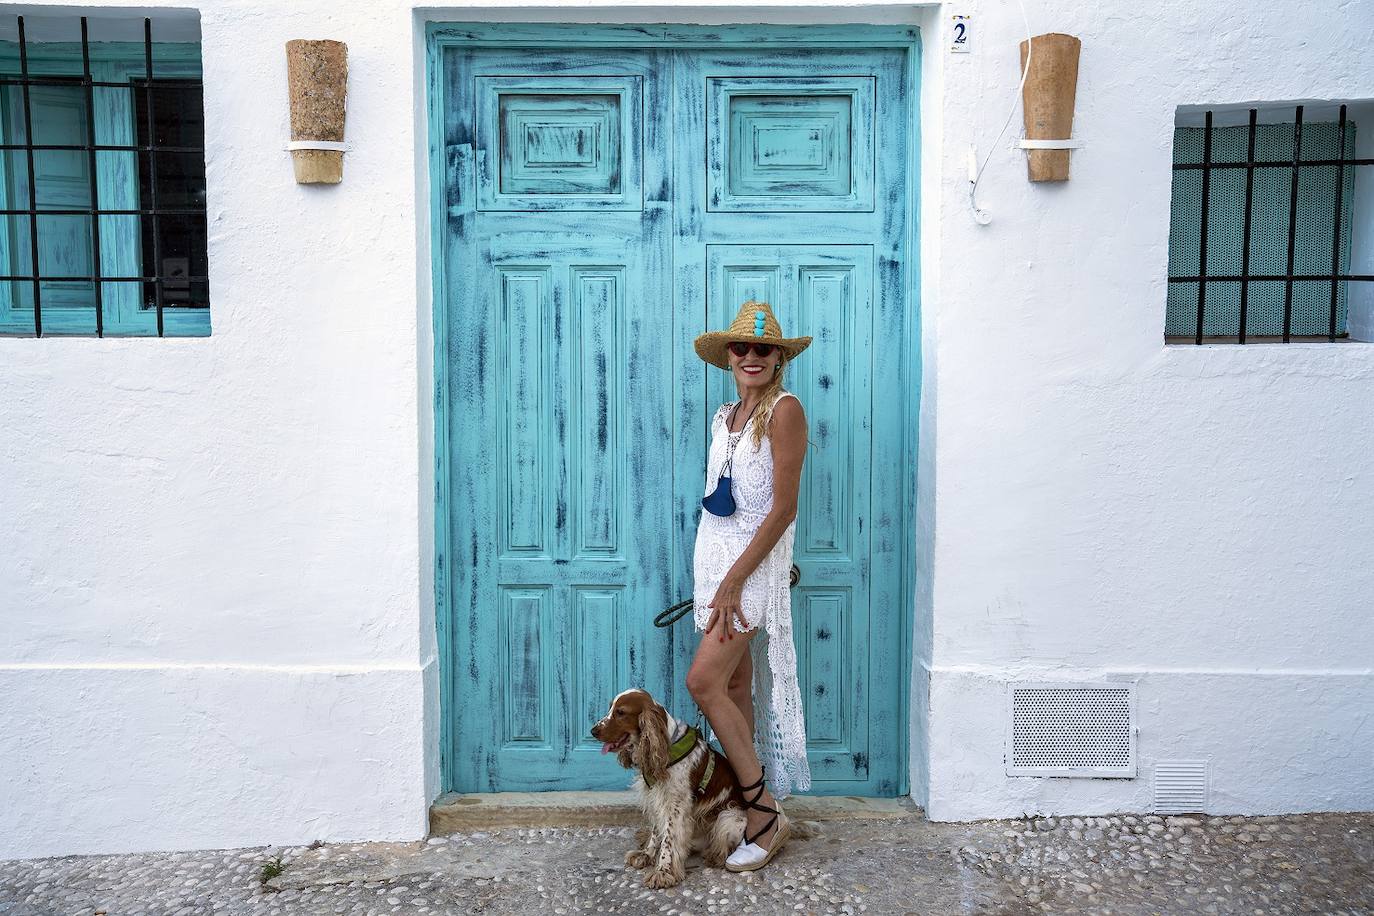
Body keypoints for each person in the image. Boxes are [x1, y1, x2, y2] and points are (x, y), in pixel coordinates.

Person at [687, 299, 813, 873]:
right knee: (734, 688)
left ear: (779, 357)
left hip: (746, 575)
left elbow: (782, 509)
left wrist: (737, 578)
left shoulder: (785, 412)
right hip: (713, 568)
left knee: (703, 682)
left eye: (764, 349)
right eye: (742, 347)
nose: (752, 357)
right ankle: (744, 802)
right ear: (729, 356)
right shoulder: (725, 415)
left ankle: (763, 816)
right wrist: (715, 575)